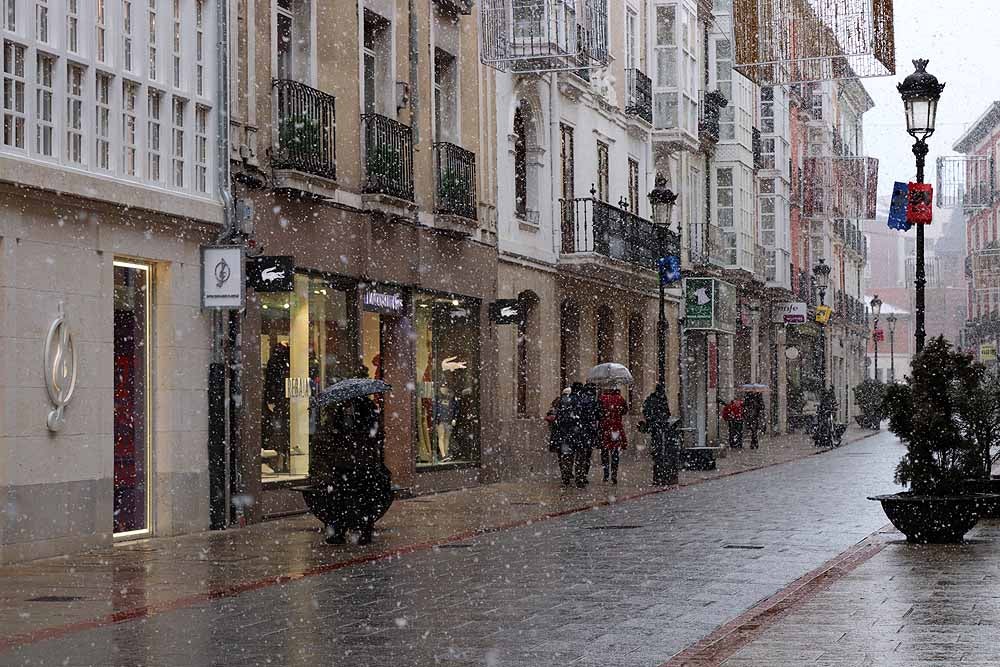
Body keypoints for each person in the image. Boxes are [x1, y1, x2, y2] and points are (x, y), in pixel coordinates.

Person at [310, 395, 393, 545]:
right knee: (359, 500)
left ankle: (341, 531)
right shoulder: (363, 413)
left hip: (349, 466)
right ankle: (358, 531)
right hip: (357, 466)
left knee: (342, 501)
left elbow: (376, 437)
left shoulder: (344, 414)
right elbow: (377, 437)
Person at [643, 384, 676, 486]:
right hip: (660, 428)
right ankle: (661, 476)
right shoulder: (661, 399)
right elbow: (667, 413)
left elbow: (646, 412)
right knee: (661, 452)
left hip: (656, 428)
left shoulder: (651, 399)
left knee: (658, 452)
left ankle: (659, 476)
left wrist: (651, 421)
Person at [598, 387, 628, 484]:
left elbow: (598, 412)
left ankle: (606, 473)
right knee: (615, 451)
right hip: (616, 429)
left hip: (605, 428)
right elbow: (625, 411)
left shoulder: (602, 398)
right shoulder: (620, 399)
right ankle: (614, 473)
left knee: (605, 451)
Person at [576, 383, 604, 487]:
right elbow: (599, 415)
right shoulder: (593, 401)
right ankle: (583, 476)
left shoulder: (578, 398)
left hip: (578, 430)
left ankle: (579, 475)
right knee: (586, 455)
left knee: (579, 455)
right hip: (588, 431)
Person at [547, 388, 573, 486]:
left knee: (561, 456)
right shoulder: (572, 404)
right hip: (568, 435)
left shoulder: (557, 403)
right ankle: (568, 473)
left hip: (559, 435)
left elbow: (551, 417)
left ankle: (564, 474)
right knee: (568, 456)